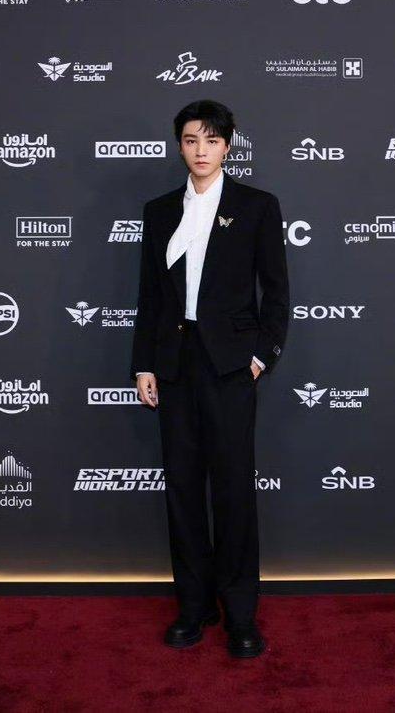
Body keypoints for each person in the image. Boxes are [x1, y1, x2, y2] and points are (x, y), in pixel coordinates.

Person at [130, 99, 290, 658]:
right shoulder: (158, 211)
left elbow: (277, 292)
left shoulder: (256, 206)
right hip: (175, 363)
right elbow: (150, 296)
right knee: (182, 489)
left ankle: (241, 614)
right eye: (191, 140)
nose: (201, 150)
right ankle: (193, 606)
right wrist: (144, 364)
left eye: (212, 140)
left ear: (228, 145)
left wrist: (261, 356)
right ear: (179, 145)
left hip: (230, 365)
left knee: (233, 490)